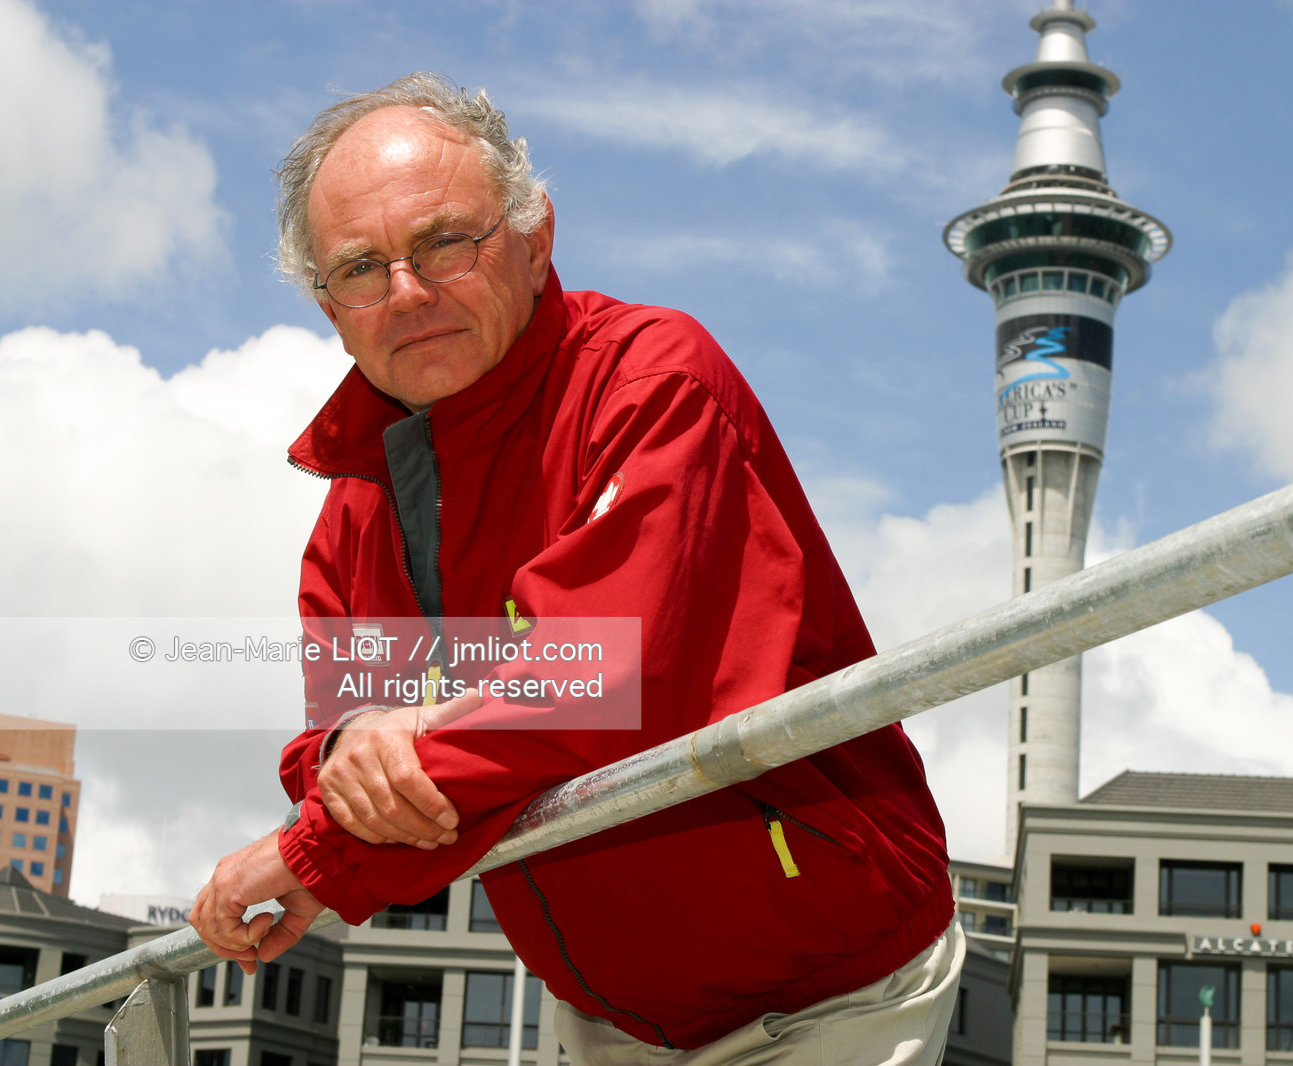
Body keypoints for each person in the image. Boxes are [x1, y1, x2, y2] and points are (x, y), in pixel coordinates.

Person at [190, 73, 963, 1064]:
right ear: (328, 306)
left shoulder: (654, 383)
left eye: (444, 243)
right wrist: (354, 746)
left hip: (833, 988)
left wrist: (318, 850)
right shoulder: (357, 504)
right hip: (607, 1018)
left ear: (535, 234)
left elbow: (601, 684)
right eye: (361, 267)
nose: (409, 291)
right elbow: (333, 753)